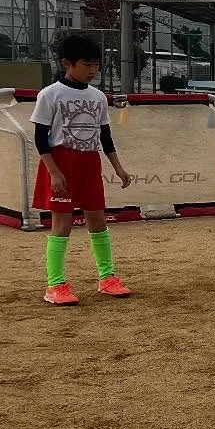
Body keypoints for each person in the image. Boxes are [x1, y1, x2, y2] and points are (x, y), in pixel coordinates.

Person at [31, 31, 135, 306]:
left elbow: (105, 136)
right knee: (62, 224)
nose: (93, 70)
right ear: (67, 63)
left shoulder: (99, 97)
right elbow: (40, 137)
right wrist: (54, 171)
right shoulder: (50, 94)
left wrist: (118, 168)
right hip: (62, 161)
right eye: (87, 65)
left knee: (97, 221)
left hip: (89, 161)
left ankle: (107, 277)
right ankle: (55, 284)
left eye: (96, 65)